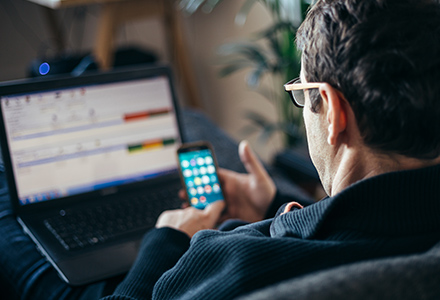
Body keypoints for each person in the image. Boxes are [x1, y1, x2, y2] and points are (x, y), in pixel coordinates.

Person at [2, 0, 440, 299]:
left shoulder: (229, 262)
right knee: (192, 123)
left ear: (336, 113)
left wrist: (166, 239)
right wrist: (274, 205)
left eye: (304, 95)